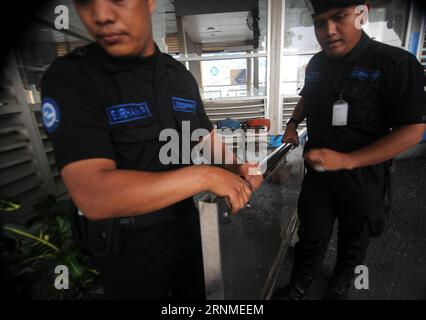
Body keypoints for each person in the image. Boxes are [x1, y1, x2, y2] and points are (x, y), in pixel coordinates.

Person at [41, 0, 262, 299]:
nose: (102, 15)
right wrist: (204, 177)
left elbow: (205, 136)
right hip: (127, 243)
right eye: (85, 2)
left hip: (186, 226)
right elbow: (93, 194)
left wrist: (237, 167)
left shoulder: (179, 76)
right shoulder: (73, 78)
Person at [274, 0, 426, 300]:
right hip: (319, 172)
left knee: (355, 239)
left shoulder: (395, 63)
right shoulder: (317, 64)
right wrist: (292, 124)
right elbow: (308, 97)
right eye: (320, 23)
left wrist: (347, 160)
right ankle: (300, 284)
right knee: (311, 234)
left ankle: (341, 285)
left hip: (364, 175)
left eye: (339, 17)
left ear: (360, 14)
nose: (328, 31)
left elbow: (413, 131)